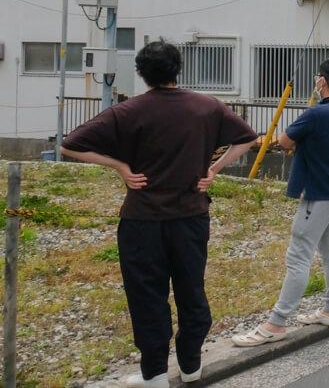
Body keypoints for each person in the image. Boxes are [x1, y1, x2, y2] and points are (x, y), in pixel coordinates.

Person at [62, 41, 258, 388]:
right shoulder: (206, 106)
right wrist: (215, 169)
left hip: (141, 221)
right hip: (191, 217)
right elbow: (247, 138)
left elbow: (69, 144)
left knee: (147, 298)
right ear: (177, 69)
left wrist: (120, 166)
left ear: (142, 73)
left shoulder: (128, 111)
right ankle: (191, 366)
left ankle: (154, 375)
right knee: (191, 292)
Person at [234, 58, 329, 347]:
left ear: (323, 82)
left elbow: (286, 141)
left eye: (318, 78)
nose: (316, 81)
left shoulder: (315, 113)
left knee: (298, 256)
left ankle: (276, 323)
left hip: (319, 193)